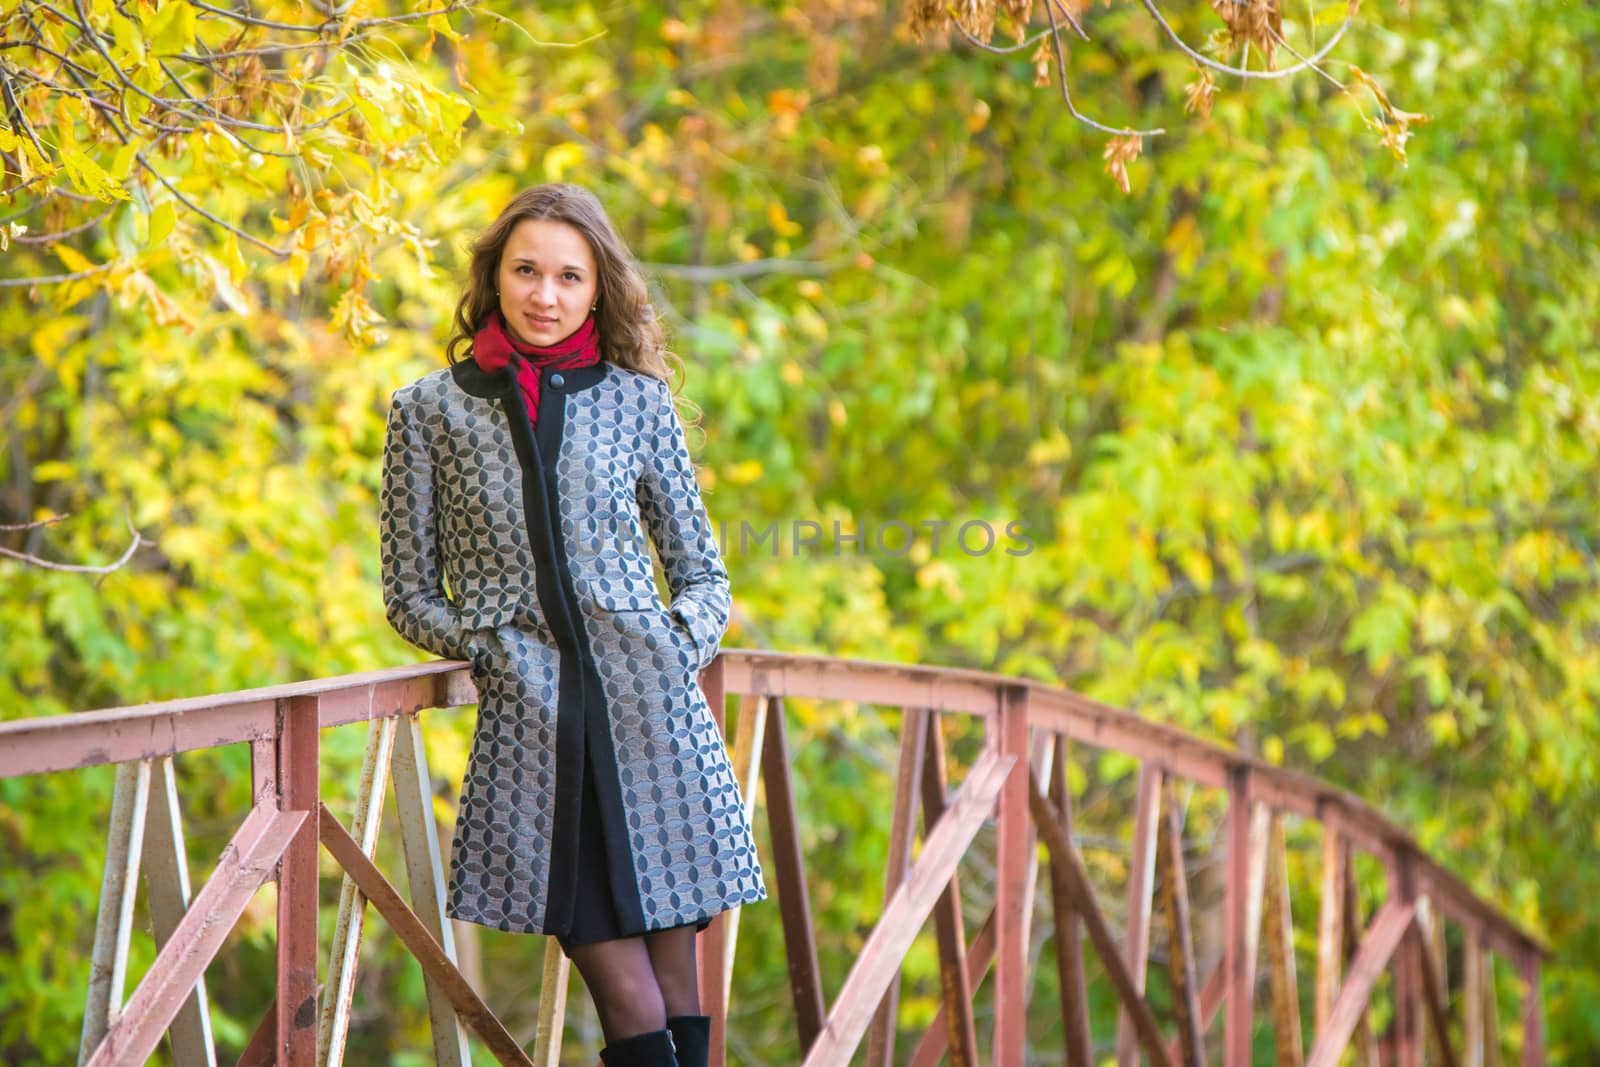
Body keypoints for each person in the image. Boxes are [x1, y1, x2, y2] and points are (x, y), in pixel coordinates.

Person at [379, 183, 766, 1067]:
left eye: (566, 276)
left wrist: (677, 643)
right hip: (537, 739)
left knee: (682, 1000)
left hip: (655, 730)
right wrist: (487, 644)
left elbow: (704, 572)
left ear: (598, 289)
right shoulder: (427, 412)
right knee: (627, 995)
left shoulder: (637, 400)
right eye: (525, 271)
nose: (543, 295)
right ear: (495, 277)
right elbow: (408, 594)